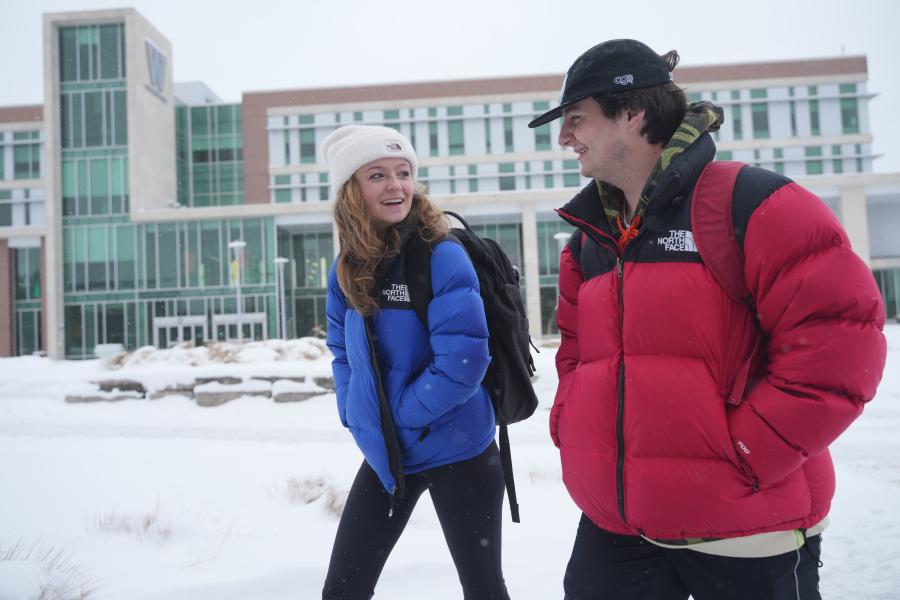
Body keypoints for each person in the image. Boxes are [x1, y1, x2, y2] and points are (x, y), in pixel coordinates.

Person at [528, 39, 887, 600]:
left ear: (634, 112)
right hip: (619, 524)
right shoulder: (590, 240)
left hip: (744, 527)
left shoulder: (752, 202)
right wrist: (572, 427)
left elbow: (841, 343)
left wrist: (747, 452)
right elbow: (575, 354)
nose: (565, 138)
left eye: (577, 119)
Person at [320, 125, 510, 600]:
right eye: (378, 175)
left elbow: (463, 363)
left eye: (403, 173)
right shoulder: (347, 265)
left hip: (459, 450)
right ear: (351, 191)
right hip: (390, 454)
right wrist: (354, 410)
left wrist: (398, 417)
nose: (395, 186)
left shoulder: (441, 256)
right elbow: (342, 349)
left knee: (484, 589)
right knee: (343, 590)